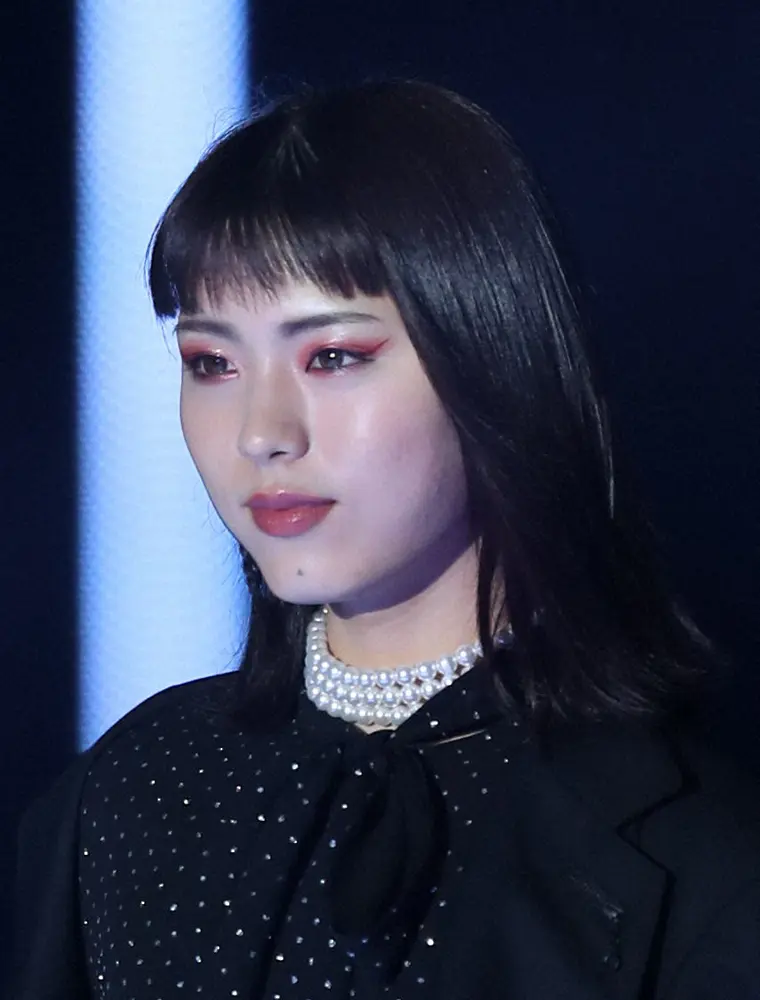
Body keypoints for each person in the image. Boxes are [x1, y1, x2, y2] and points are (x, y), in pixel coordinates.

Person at [11, 80, 760, 1000]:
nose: (261, 432)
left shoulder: (701, 861)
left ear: (492, 357)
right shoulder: (126, 794)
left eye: (332, 356)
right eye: (212, 362)